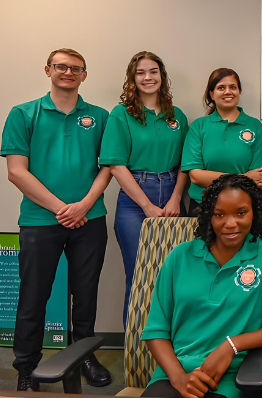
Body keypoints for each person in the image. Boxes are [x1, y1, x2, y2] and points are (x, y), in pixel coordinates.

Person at [1, 48, 112, 390]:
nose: (68, 72)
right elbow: (16, 172)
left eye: (75, 68)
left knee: (86, 296)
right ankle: (27, 368)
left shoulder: (100, 116)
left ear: (84, 75)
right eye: (61, 66)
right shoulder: (23, 114)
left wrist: (83, 205)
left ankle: (84, 359)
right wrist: (62, 208)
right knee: (33, 297)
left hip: (89, 220)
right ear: (48, 69)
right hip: (39, 221)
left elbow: (109, 165)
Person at [141, 174, 262, 398]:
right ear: (208, 217)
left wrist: (231, 345)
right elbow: (156, 330)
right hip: (175, 376)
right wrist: (179, 379)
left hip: (234, 376)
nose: (230, 223)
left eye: (241, 213)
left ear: (255, 212)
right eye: (219, 215)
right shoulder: (179, 257)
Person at [99, 51, 189, 327]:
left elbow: (187, 164)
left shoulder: (177, 116)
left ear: (162, 77)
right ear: (132, 79)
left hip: (173, 194)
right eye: (141, 73)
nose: (147, 77)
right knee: (139, 276)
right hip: (135, 199)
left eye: (153, 72)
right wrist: (147, 206)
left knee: (176, 277)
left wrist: (175, 199)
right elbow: (115, 164)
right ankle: (135, 350)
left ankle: (173, 348)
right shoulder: (121, 114)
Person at [182, 68, 262, 216]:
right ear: (212, 94)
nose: (228, 91)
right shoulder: (199, 126)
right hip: (203, 205)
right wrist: (243, 178)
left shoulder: (254, 126)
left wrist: (215, 178)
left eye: (233, 87)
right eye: (221, 88)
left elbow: (258, 179)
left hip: (243, 206)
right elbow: (196, 176)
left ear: (239, 92)